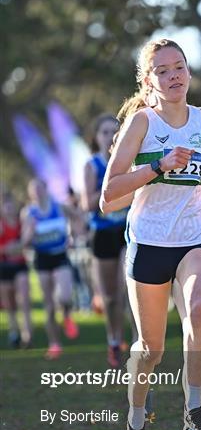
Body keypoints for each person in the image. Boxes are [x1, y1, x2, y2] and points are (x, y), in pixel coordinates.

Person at [99, 38, 201, 430]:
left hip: (195, 236)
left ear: (189, 73)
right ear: (149, 82)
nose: (174, 76)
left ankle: (194, 416)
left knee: (200, 308)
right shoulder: (142, 124)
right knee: (149, 350)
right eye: (162, 71)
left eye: (179, 67)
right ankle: (136, 425)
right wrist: (158, 166)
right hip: (148, 242)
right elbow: (108, 197)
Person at [82, 113, 135, 368]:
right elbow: (88, 204)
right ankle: (114, 340)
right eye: (104, 132)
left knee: (129, 287)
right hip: (102, 233)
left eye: (115, 131)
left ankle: (139, 342)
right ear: (96, 137)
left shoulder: (128, 161)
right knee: (111, 297)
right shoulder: (92, 165)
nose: (110, 137)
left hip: (127, 230)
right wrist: (110, 188)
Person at [22, 179, 80, 359]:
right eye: (34, 190)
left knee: (64, 296)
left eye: (39, 188)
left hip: (60, 254)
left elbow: (77, 216)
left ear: (46, 189)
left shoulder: (59, 207)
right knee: (48, 304)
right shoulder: (28, 213)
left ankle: (67, 315)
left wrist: (74, 235)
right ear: (31, 194)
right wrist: (30, 233)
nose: (37, 192)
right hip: (42, 258)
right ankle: (54, 344)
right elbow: (25, 241)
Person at [0, 192, 32, 348]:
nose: (9, 209)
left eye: (11, 206)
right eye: (6, 206)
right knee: (10, 305)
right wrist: (8, 249)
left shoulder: (21, 222)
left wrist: (14, 248)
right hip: (4, 268)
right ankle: (14, 333)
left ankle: (27, 335)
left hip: (20, 265)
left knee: (24, 301)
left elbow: (26, 243)